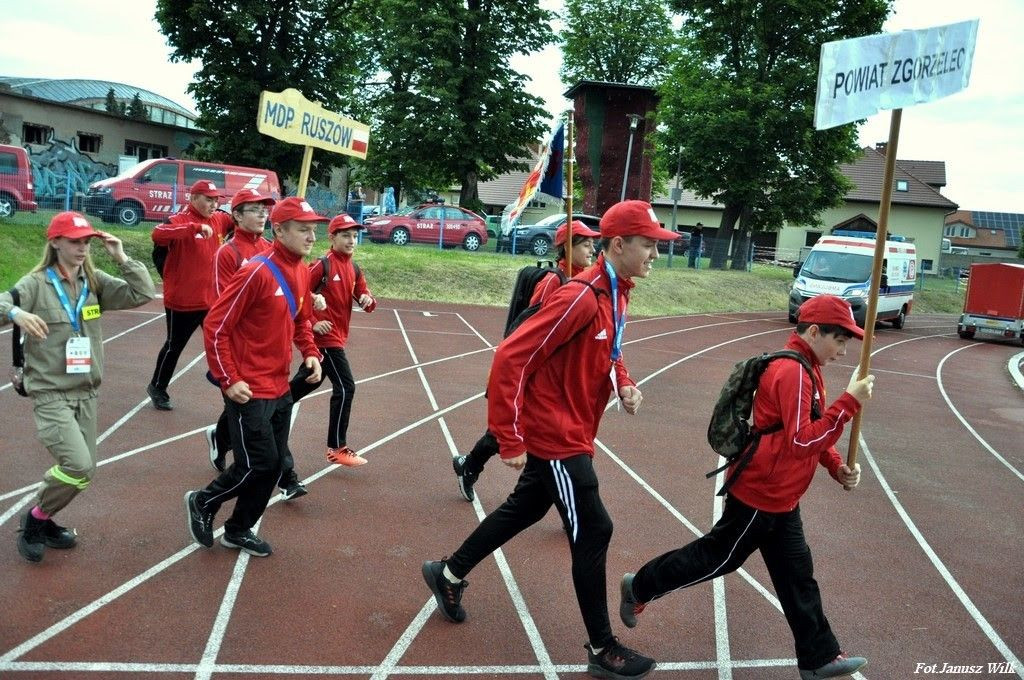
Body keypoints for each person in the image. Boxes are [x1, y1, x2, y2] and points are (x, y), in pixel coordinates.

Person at [423, 201, 679, 680]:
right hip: (557, 436)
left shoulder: (617, 293)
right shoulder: (580, 297)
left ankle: (448, 573)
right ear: (618, 245)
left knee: (525, 508)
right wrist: (508, 437)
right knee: (595, 529)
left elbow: (612, 349)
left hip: (576, 429)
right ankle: (602, 648)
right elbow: (511, 358)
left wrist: (623, 381)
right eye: (648, 245)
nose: (655, 255)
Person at [617, 294, 875, 680]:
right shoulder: (793, 372)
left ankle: (819, 657)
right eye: (839, 341)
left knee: (797, 575)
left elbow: (812, 428)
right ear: (814, 332)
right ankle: (640, 586)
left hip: (783, 496)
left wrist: (836, 465)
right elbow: (801, 441)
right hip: (761, 494)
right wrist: (849, 403)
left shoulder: (808, 368)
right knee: (718, 558)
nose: (843, 351)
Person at [1, 212, 154, 562]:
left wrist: (122, 257)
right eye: (74, 241)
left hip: (86, 391)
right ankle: (34, 522)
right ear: (55, 242)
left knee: (85, 473)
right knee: (78, 466)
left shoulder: (94, 281)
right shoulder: (36, 284)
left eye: (86, 241)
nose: (83, 248)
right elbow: (4, 302)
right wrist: (16, 314)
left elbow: (142, 292)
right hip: (50, 392)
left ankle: (42, 517)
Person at [185, 197, 325, 557]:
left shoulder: (300, 270)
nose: (312, 236)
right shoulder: (255, 272)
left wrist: (310, 351)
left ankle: (238, 529)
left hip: (279, 387)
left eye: (313, 229)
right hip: (249, 388)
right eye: (303, 229)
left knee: (274, 466)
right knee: (255, 464)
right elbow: (216, 326)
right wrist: (229, 379)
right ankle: (203, 500)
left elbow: (300, 319)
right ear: (280, 230)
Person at [452, 219, 601, 502]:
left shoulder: (584, 282)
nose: (592, 249)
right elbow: (528, 324)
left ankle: (473, 467)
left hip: (558, 374)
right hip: (537, 370)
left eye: (593, 244)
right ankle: (470, 466)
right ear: (567, 247)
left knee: (546, 433)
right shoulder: (554, 281)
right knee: (515, 430)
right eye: (585, 244)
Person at [288, 212, 376, 467]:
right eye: (345, 235)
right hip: (325, 340)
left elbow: (365, 297)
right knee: (346, 387)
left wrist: (368, 300)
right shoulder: (322, 265)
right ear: (332, 238)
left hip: (337, 337)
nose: (351, 241)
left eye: (354, 236)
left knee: (303, 385)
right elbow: (298, 291)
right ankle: (337, 447)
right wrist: (314, 322)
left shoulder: (354, 268)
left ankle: (246, 421)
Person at [147, 179, 233, 411]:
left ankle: (231, 396)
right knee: (174, 346)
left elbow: (239, 223)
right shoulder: (178, 220)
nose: (214, 204)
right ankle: (157, 387)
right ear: (193, 198)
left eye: (216, 200)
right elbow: (157, 234)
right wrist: (193, 228)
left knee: (222, 346)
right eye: (208, 199)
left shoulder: (220, 219)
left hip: (212, 301)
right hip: (182, 301)